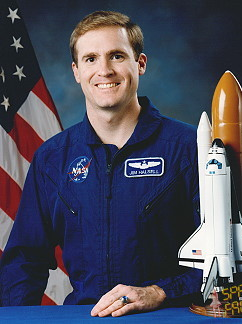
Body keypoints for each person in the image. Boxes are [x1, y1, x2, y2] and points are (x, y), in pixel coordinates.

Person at [0, 11, 202, 316]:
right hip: (84, 316)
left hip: (169, 315)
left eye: (117, 56)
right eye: (91, 59)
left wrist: (160, 292)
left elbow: (222, 260)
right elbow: (24, 260)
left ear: (141, 64)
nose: (104, 70)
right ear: (76, 71)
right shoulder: (53, 158)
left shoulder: (189, 147)